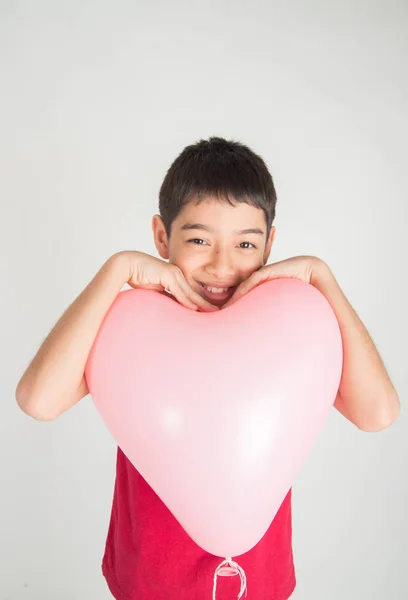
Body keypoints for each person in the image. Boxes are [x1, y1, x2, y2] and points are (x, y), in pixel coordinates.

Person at [15, 136, 400, 600]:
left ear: (270, 244)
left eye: (245, 243)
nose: (222, 265)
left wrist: (322, 276)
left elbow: (378, 413)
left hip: (260, 584)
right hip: (148, 582)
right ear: (162, 237)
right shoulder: (134, 324)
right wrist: (117, 270)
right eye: (199, 239)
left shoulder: (292, 324)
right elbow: (38, 400)